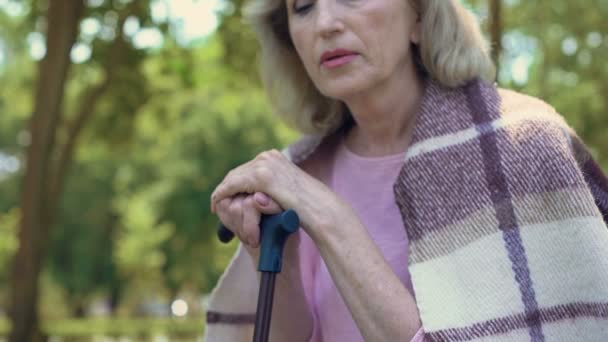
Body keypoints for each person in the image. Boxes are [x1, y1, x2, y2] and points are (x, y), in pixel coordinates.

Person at [204, 0, 608, 340]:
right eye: (303, 6)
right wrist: (274, 256)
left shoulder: (525, 144)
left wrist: (331, 220)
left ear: (419, 15)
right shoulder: (297, 173)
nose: (324, 24)